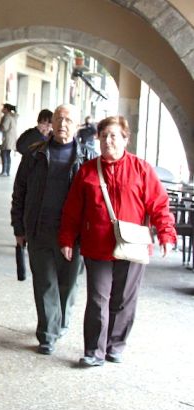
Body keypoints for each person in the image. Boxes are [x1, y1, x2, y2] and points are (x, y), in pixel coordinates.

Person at [58, 116, 176, 367]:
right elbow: (72, 210)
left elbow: (158, 205)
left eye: (113, 135)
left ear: (125, 138)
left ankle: (115, 346)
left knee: (124, 299)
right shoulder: (88, 171)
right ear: (97, 139)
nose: (108, 141)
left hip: (132, 246)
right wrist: (67, 238)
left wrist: (166, 233)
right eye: (103, 136)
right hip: (96, 246)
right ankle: (94, 351)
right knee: (98, 298)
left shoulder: (141, 169)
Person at [11, 104, 96, 355]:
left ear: (77, 124)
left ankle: (61, 320)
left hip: (75, 233)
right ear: (51, 123)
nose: (62, 124)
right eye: (58, 119)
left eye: (68, 120)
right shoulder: (34, 155)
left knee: (68, 283)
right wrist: (19, 227)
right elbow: (20, 192)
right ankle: (47, 333)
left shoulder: (88, 158)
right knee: (45, 282)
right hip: (40, 229)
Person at [0, 103, 18, 176]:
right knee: (7, 155)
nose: (2, 109)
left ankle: (4, 171)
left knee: (4, 154)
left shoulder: (7, 117)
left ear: (6, 109)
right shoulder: (13, 116)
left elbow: (4, 127)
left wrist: (0, 127)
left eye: (3, 108)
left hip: (7, 138)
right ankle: (7, 171)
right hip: (12, 138)